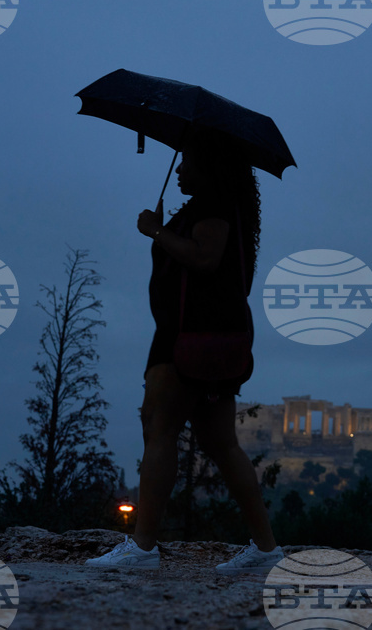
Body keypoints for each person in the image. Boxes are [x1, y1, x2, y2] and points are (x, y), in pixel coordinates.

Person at [86, 131, 283, 573]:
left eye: (187, 161)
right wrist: (162, 230)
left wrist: (155, 230)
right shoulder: (214, 204)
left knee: (159, 429)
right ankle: (267, 551)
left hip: (187, 336)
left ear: (207, 166)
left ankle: (142, 548)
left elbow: (205, 258)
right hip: (208, 336)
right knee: (220, 443)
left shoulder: (212, 204)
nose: (178, 168)